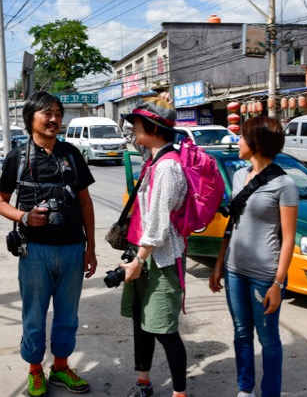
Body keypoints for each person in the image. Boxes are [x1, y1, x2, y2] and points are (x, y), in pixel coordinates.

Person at [0, 91, 97, 397]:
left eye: (57, 113)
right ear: (30, 119)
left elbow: (85, 202)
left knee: (68, 315)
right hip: (34, 251)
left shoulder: (71, 154)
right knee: (34, 316)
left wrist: (90, 247)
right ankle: (35, 371)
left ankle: (62, 368)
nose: (53, 119)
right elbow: (0, 202)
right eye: (46, 113)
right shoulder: (18, 157)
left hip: (72, 249)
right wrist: (24, 217)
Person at [209, 116, 299, 397]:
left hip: (265, 275)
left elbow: (288, 239)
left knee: (268, 340)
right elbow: (232, 224)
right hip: (235, 270)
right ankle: (244, 389)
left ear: (257, 143)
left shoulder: (285, 185)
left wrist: (277, 283)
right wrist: (219, 264)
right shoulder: (238, 175)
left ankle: (270, 393)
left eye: (242, 137)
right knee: (241, 333)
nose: (238, 141)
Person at [118, 97, 190, 397]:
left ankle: (180, 393)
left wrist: (138, 261)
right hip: (145, 255)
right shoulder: (155, 161)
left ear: (152, 127)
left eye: (136, 123)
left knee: (165, 329)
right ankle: (144, 382)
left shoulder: (167, 168)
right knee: (142, 324)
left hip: (160, 259)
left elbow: (159, 226)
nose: (133, 127)